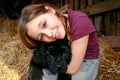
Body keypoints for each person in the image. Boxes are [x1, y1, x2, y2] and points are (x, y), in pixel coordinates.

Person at [18, 3, 99, 80]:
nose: (49, 34)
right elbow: (36, 60)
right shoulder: (53, 36)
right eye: (41, 36)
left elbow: (72, 69)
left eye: (44, 24)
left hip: (84, 62)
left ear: (50, 9)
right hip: (59, 60)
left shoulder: (80, 22)